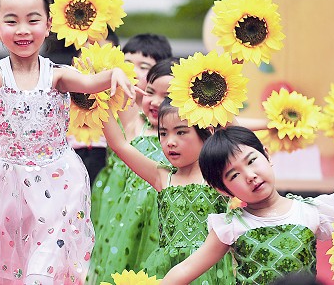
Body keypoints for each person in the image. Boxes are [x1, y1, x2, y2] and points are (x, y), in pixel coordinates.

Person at [0, 0, 136, 284]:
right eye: (11, 21)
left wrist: (116, 72)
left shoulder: (58, 76)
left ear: (49, 24)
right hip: (5, 188)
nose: (23, 30)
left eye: (33, 20)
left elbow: (93, 83)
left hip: (57, 184)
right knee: (7, 271)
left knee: (40, 273)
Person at [161, 126, 334, 284]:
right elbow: (185, 269)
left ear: (266, 154)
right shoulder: (231, 225)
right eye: (234, 175)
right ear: (222, 189)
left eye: (251, 161)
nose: (250, 176)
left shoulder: (311, 211)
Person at [103, 98, 234, 284]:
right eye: (163, 133)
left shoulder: (219, 176)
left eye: (181, 132)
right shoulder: (162, 176)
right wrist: (95, 100)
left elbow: (235, 134)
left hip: (210, 271)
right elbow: (120, 145)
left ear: (208, 131)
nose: (170, 142)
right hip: (166, 271)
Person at [86, 58, 174, 285]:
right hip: (129, 217)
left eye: (167, 96)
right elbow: (103, 97)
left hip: (166, 221)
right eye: (150, 92)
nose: (155, 102)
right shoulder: (136, 123)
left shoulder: (189, 139)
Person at [90, 33, 172, 227]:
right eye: (127, 63)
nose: (132, 71)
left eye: (143, 66)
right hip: (116, 193)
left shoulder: (153, 116)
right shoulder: (123, 107)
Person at [68, 27, 121, 186]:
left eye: (101, 57)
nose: (92, 64)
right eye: (87, 54)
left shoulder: (120, 99)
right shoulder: (63, 93)